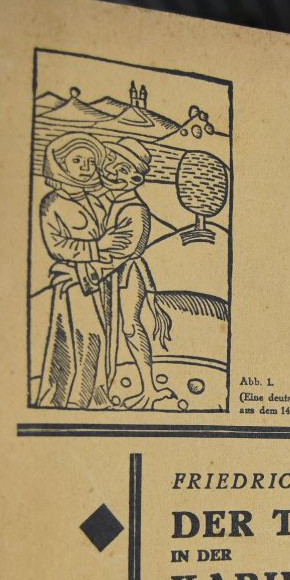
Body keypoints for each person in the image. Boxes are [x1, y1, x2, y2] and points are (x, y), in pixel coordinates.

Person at [35, 132, 132, 408]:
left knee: (96, 337)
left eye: (90, 161)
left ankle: (94, 394)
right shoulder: (52, 203)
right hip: (73, 283)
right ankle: (75, 398)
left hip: (97, 282)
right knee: (82, 338)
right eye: (77, 160)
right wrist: (97, 247)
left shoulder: (95, 200)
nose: (85, 167)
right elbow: (57, 245)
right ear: (60, 164)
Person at [97, 138, 176, 410]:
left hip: (127, 274)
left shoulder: (134, 208)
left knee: (130, 327)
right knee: (116, 326)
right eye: (111, 164)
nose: (112, 172)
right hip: (114, 273)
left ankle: (149, 387)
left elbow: (126, 248)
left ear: (136, 178)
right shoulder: (114, 202)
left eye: (122, 169)